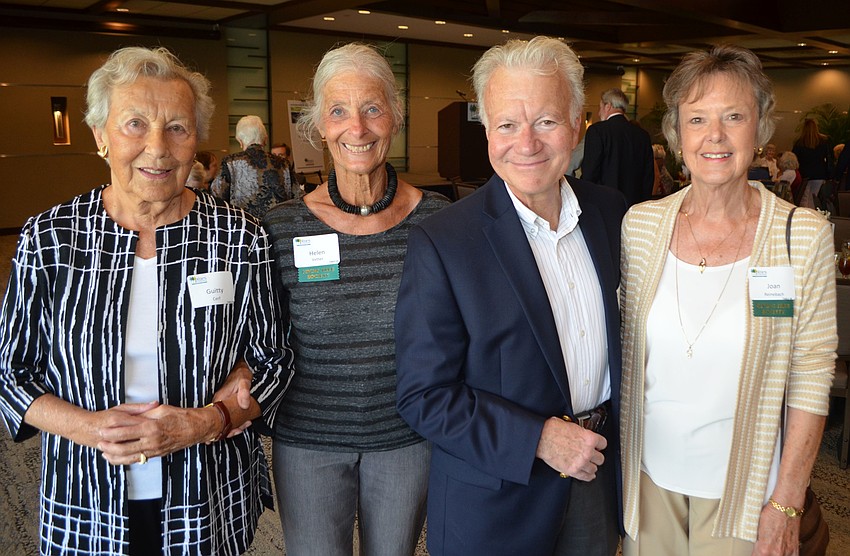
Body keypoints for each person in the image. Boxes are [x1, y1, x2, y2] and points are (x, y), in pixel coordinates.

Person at [0, 46, 295, 556]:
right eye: (134, 123)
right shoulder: (49, 239)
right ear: (100, 137)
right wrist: (90, 429)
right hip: (87, 497)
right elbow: (10, 372)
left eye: (177, 127)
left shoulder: (238, 236)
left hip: (206, 495)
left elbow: (276, 359)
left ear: (196, 142)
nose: (157, 147)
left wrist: (207, 421)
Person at [395, 36, 626, 556]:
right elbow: (422, 396)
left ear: (578, 124)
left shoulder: (613, 214)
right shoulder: (444, 241)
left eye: (545, 120)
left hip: (599, 480)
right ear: (487, 133)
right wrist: (539, 439)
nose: (527, 143)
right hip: (496, 503)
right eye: (506, 124)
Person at [620, 45, 836, 555]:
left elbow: (812, 373)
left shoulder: (799, 235)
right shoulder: (642, 225)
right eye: (697, 119)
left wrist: (786, 503)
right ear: (677, 136)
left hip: (746, 492)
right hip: (648, 483)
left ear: (760, 129)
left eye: (733, 116)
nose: (714, 135)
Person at [263, 42, 450, 556]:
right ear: (319, 126)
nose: (358, 128)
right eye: (339, 111)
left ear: (395, 117)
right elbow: (257, 337)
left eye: (373, 108)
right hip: (308, 440)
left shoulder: (439, 220)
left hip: (406, 438)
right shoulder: (281, 226)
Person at [212, 115, 299, 218]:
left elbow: (216, 197)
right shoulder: (284, 163)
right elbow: (297, 196)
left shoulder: (230, 163)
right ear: (265, 140)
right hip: (279, 226)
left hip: (245, 227)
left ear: (240, 141)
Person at [581, 87, 654, 206]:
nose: (599, 113)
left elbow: (590, 172)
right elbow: (648, 177)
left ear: (608, 106)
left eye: (600, 108)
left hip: (604, 204)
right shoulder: (642, 135)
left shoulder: (597, 131)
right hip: (635, 206)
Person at [792, 118, 833, 208]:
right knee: (814, 197)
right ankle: (813, 215)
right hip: (819, 173)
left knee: (805, 198)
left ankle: (806, 216)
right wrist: (829, 174)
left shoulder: (799, 142)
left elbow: (794, 158)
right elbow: (829, 158)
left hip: (804, 174)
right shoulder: (824, 141)